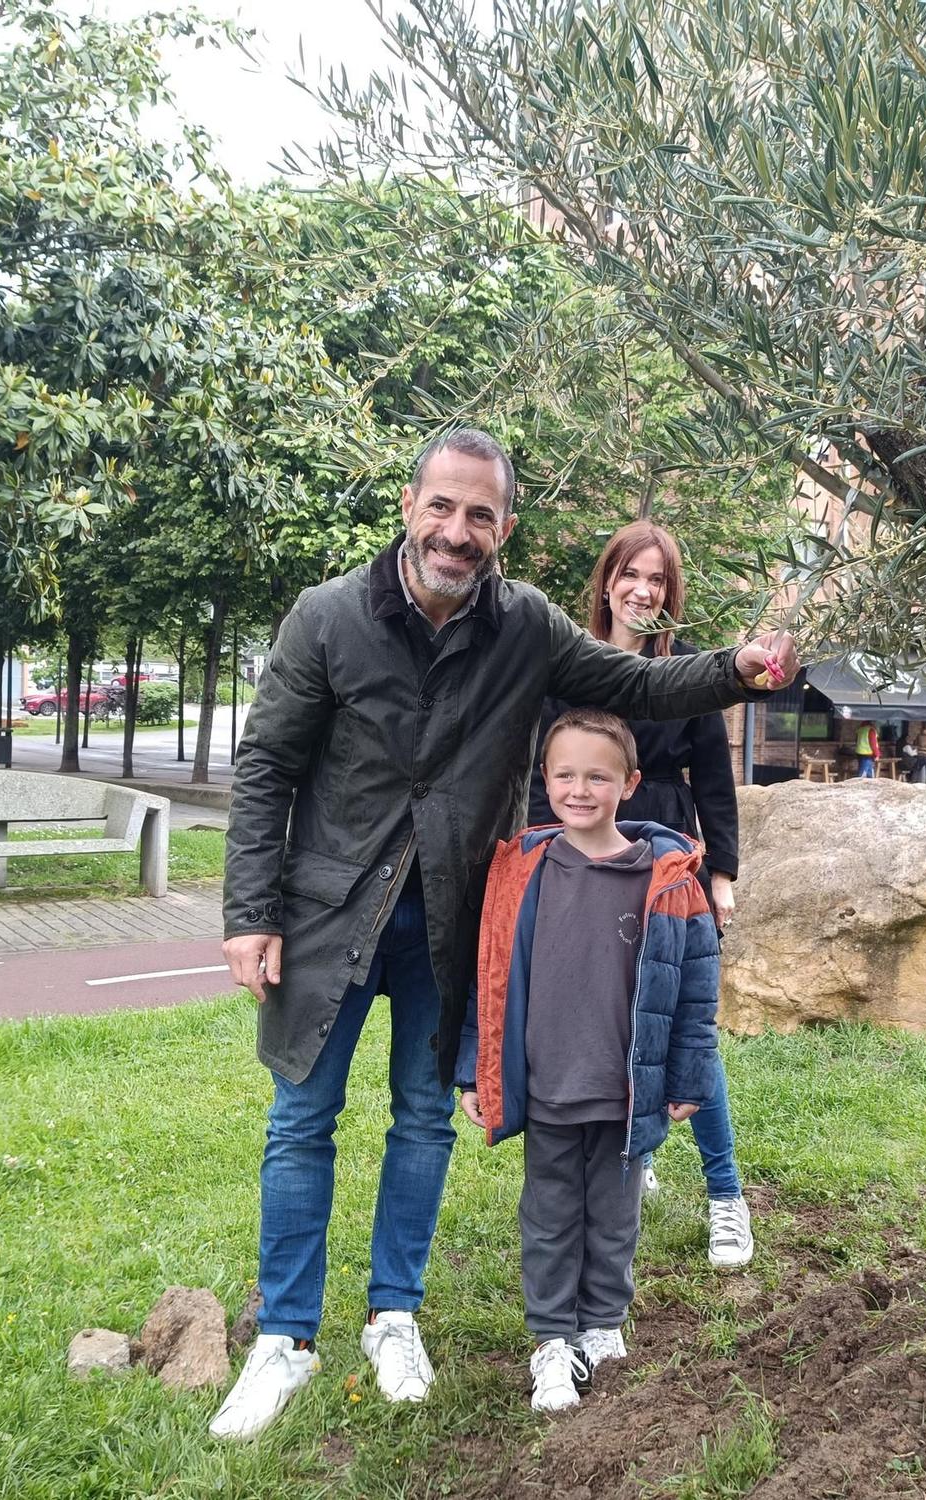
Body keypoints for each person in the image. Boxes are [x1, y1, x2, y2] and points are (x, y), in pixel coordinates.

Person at [212, 427, 797, 1442]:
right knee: (301, 1121)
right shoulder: (327, 619)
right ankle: (285, 1339)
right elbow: (266, 768)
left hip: (453, 912)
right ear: (408, 506)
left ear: (504, 529)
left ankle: (393, 1315)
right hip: (326, 913)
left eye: (479, 515)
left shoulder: (523, 625)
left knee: (423, 1119)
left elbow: (638, 687)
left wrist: (735, 672)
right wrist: (249, 911)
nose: (457, 530)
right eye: (441, 507)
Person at [457, 708, 721, 1413]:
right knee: (548, 1214)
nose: (580, 789)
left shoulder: (668, 880)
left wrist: (688, 1078)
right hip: (547, 1085)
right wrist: (473, 1070)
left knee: (615, 1214)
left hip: (625, 1089)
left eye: (597, 776)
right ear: (544, 781)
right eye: (565, 774)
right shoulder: (522, 873)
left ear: (629, 784)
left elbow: (695, 994)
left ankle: (603, 1324)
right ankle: (551, 1339)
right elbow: (487, 977)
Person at [526, 521, 753, 1271]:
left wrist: (719, 873)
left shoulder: (688, 673)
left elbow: (713, 779)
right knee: (608, 1013)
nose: (644, 589)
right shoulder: (566, 667)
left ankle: (726, 1195)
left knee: (685, 1021)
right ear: (607, 580)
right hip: (579, 863)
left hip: (662, 858)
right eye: (632, 574)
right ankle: (636, 1153)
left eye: (658, 579)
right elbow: (544, 774)